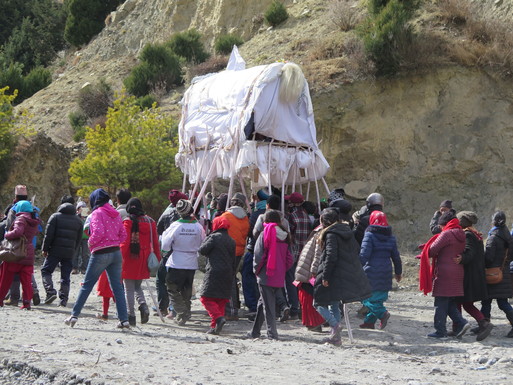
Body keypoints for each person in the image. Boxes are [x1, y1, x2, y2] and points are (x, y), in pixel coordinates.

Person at [64, 188, 129, 329]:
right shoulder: (116, 213)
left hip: (100, 253)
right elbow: (123, 235)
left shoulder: (97, 213)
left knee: (87, 285)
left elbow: (97, 232)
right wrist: (114, 241)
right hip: (116, 252)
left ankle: (74, 315)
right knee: (117, 287)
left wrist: (90, 243)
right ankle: (124, 320)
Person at [313, 208, 371, 346]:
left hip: (332, 273)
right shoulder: (347, 232)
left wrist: (325, 276)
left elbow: (330, 256)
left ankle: (334, 326)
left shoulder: (330, 234)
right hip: (343, 274)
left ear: (324, 221)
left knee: (317, 303)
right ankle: (335, 337)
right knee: (333, 304)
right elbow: (356, 250)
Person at [421, 211, 469, 338]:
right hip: (457, 271)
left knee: (440, 302)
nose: (440, 228)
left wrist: (423, 252)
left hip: (445, 272)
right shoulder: (461, 234)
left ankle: (440, 330)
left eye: (441, 226)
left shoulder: (447, 234)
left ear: (445, 224)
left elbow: (432, 250)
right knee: (448, 302)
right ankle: (461, 323)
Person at [249, 210, 294, 340]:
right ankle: (255, 332)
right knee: (262, 302)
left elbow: (258, 256)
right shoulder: (285, 235)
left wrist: (256, 270)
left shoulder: (265, 234)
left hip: (266, 274)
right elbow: (290, 258)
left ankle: (272, 334)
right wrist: (282, 269)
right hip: (279, 274)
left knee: (268, 306)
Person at [161, 199, 205, 326]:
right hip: (191, 262)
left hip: (177, 261)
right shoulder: (198, 226)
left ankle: (182, 311)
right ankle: (186, 312)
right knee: (186, 289)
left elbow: (165, 244)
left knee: (172, 288)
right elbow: (204, 242)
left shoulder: (175, 226)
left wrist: (165, 252)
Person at [120, 198, 161, 326]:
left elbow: (124, 243)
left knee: (129, 288)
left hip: (131, 257)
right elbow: (155, 242)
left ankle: (130, 315)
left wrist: (118, 258)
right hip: (145, 257)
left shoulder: (128, 222)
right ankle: (143, 305)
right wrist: (158, 258)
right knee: (137, 286)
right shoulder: (150, 221)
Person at [359, 211, 402, 330]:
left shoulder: (369, 235)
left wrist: (356, 269)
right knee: (378, 298)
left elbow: (364, 255)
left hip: (370, 271)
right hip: (386, 271)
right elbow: (396, 257)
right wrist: (398, 272)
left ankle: (383, 314)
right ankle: (369, 322)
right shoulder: (391, 237)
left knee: (364, 297)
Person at [454, 211, 493, 341]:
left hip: (470, 276)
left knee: (461, 302)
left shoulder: (468, 235)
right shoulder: (475, 234)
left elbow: (469, 254)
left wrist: (461, 258)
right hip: (476, 275)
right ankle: (477, 324)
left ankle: (481, 324)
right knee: (464, 303)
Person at [41, 199, 83, 306]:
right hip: (69, 252)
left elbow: (48, 235)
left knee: (46, 271)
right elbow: (78, 239)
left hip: (55, 250)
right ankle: (63, 299)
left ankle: (50, 292)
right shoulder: (78, 220)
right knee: (65, 276)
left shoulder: (55, 217)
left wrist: (45, 249)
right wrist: (74, 250)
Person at [198, 216, 236, 334]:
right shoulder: (231, 240)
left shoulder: (213, 237)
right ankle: (214, 327)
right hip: (228, 272)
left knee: (206, 298)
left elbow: (202, 250)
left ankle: (218, 318)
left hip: (214, 271)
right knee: (221, 300)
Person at [0, 200, 41, 309]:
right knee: (26, 280)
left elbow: (18, 232)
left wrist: (7, 234)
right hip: (28, 253)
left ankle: (0, 299)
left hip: (16, 252)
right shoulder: (34, 220)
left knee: (5, 278)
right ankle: (26, 302)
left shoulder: (21, 218)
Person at [155, 189, 188, 317]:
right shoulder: (189, 216)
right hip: (184, 254)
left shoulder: (166, 213)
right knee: (178, 282)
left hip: (169, 253)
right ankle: (174, 309)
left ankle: (164, 308)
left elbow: (159, 230)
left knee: (161, 279)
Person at [482, 211, 513, 338]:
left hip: (492, 273)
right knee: (503, 302)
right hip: (504, 273)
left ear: (493, 221)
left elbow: (488, 258)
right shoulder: (508, 236)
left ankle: (483, 324)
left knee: (486, 300)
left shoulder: (493, 237)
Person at [220, 193, 250, 320]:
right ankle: (235, 305)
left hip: (227, 250)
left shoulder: (226, 216)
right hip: (239, 251)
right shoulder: (245, 218)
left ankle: (231, 310)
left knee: (229, 280)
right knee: (232, 277)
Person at [283, 192, 312, 320]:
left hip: (293, 252)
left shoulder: (291, 216)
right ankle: (301, 307)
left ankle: (294, 308)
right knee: (302, 281)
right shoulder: (307, 216)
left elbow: (289, 235)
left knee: (291, 281)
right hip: (304, 252)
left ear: (293, 203)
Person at [242, 189, 269, 317]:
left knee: (248, 277)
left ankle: (253, 305)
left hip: (254, 250)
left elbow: (250, 233)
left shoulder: (256, 215)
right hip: (271, 253)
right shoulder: (279, 215)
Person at [294, 219, 325, 332]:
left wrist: (314, 270)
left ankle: (315, 322)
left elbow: (318, 254)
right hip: (307, 269)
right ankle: (313, 322)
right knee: (306, 297)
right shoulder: (320, 232)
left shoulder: (321, 233)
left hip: (309, 271)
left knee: (308, 298)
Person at [72, 201, 90, 275]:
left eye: (83, 208)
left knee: (85, 254)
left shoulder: (88, 217)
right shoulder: (75, 217)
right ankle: (74, 268)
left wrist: (87, 216)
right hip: (77, 237)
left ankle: (84, 268)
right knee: (75, 253)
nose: (82, 210)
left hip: (86, 237)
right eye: (80, 208)